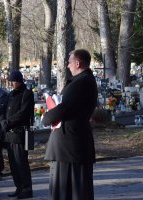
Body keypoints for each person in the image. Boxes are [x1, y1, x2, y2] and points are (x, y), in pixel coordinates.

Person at [42, 49, 98, 200]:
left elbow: (64, 108)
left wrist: (46, 118)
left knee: (73, 191)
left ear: (78, 63)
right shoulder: (83, 81)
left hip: (71, 147)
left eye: (69, 62)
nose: (67, 66)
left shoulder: (82, 82)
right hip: (69, 147)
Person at [0, 70, 34, 199]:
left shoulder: (27, 94)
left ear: (19, 81)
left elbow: (24, 112)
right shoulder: (10, 95)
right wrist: (3, 121)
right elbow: (3, 109)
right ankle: (18, 187)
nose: (12, 84)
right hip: (9, 134)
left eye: (13, 81)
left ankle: (27, 189)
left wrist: (8, 122)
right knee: (13, 164)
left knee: (21, 162)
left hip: (19, 133)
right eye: (10, 82)